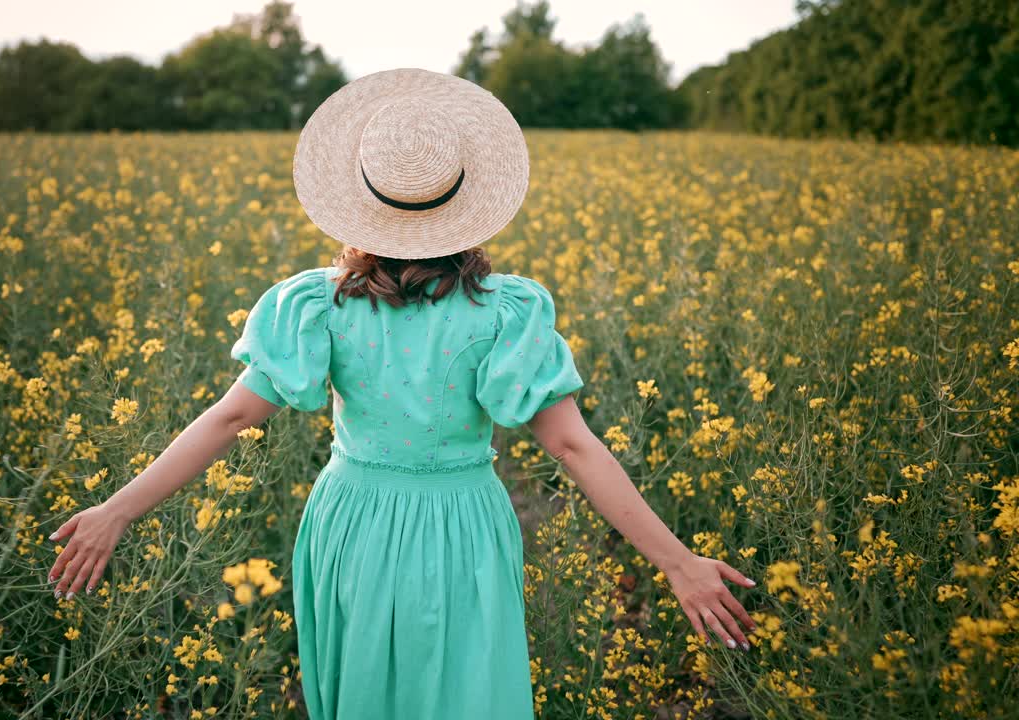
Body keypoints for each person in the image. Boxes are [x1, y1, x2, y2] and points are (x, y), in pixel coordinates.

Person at [45, 68, 757, 720]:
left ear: (360, 198)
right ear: (470, 197)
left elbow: (230, 417)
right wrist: (677, 562)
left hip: (354, 523)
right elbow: (573, 443)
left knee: (367, 693)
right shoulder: (504, 313)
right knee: (469, 694)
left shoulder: (318, 307)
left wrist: (117, 509)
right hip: (462, 524)